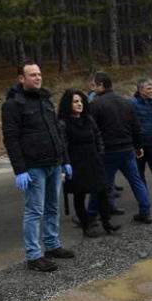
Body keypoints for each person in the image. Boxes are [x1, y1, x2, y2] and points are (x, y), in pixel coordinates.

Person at [1, 61, 75, 272]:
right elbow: (11, 139)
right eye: (32, 75)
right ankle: (34, 255)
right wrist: (20, 170)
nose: (38, 78)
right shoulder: (13, 104)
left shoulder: (46, 100)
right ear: (21, 79)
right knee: (35, 210)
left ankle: (52, 245)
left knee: (52, 207)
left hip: (53, 163)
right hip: (34, 166)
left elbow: (58, 132)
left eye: (39, 74)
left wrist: (65, 160)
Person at [88, 71, 152, 224]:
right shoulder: (126, 102)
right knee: (136, 181)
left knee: (102, 183)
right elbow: (135, 126)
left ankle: (90, 215)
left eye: (93, 85)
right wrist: (138, 146)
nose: (91, 88)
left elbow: (92, 130)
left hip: (108, 151)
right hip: (126, 149)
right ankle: (146, 211)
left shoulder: (96, 105)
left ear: (101, 86)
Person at [58, 90, 120, 238]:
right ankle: (86, 226)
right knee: (79, 196)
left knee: (102, 192)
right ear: (68, 104)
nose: (79, 104)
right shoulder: (62, 124)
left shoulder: (88, 119)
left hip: (94, 161)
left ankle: (107, 223)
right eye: (75, 102)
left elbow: (98, 137)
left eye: (80, 101)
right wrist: (64, 165)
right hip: (76, 164)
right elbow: (62, 146)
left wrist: (100, 153)